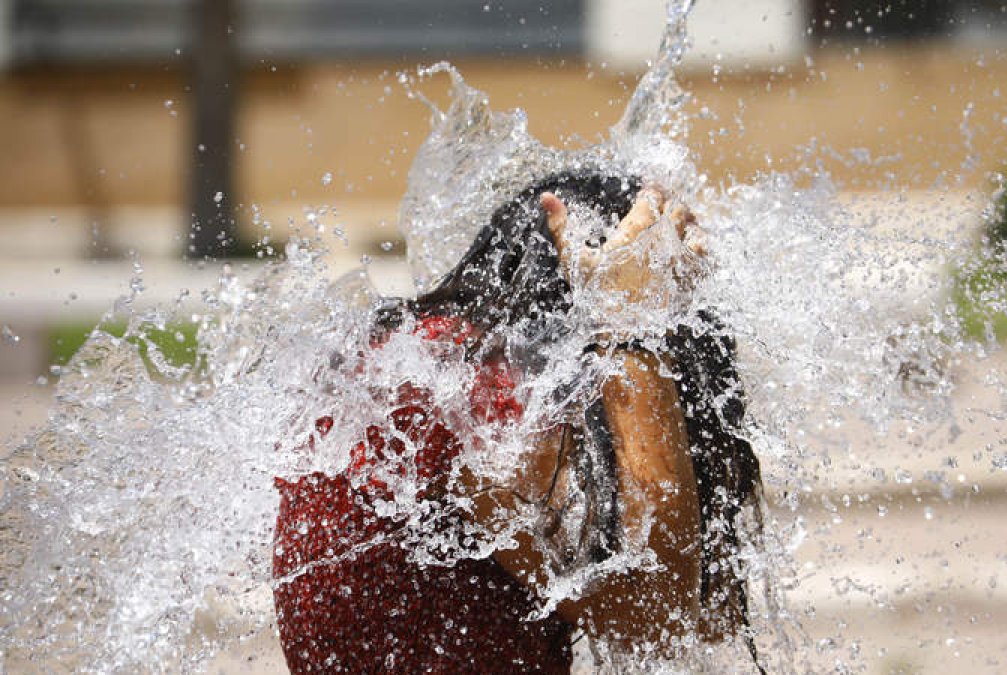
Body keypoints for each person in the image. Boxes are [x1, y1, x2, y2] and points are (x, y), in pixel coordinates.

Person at [271, 173, 762, 673]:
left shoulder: (421, 353)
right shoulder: (473, 393)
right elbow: (658, 623)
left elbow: (711, 616)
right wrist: (630, 328)